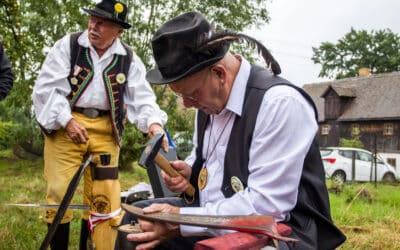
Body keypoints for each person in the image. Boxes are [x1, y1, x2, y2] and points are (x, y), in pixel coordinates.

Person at [117, 11, 346, 250]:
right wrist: (190, 173)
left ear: (219, 73)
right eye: (181, 95)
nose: (187, 104)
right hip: (213, 218)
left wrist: (180, 221)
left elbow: (265, 208)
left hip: (278, 232)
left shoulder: (279, 103)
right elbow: (205, 160)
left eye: (192, 94)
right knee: (139, 221)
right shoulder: (207, 101)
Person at [32, 0, 167, 249]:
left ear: (119, 31)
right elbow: (47, 89)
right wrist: (67, 120)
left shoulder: (127, 57)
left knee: (103, 197)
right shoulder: (69, 45)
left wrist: (154, 124)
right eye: (93, 19)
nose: (94, 26)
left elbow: (143, 97)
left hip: (107, 129)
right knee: (60, 191)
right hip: (66, 126)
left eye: (103, 23)